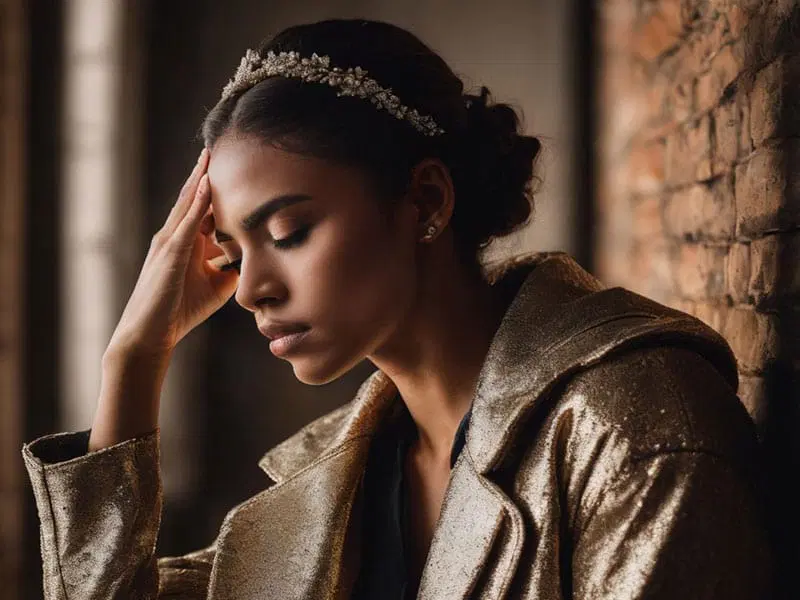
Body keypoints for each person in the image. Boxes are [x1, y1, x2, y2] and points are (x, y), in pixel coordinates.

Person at [22, 18, 774, 600]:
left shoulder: (632, 427)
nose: (250, 290)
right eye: (232, 251)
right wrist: (135, 357)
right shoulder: (331, 490)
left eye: (288, 233)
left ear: (427, 200)